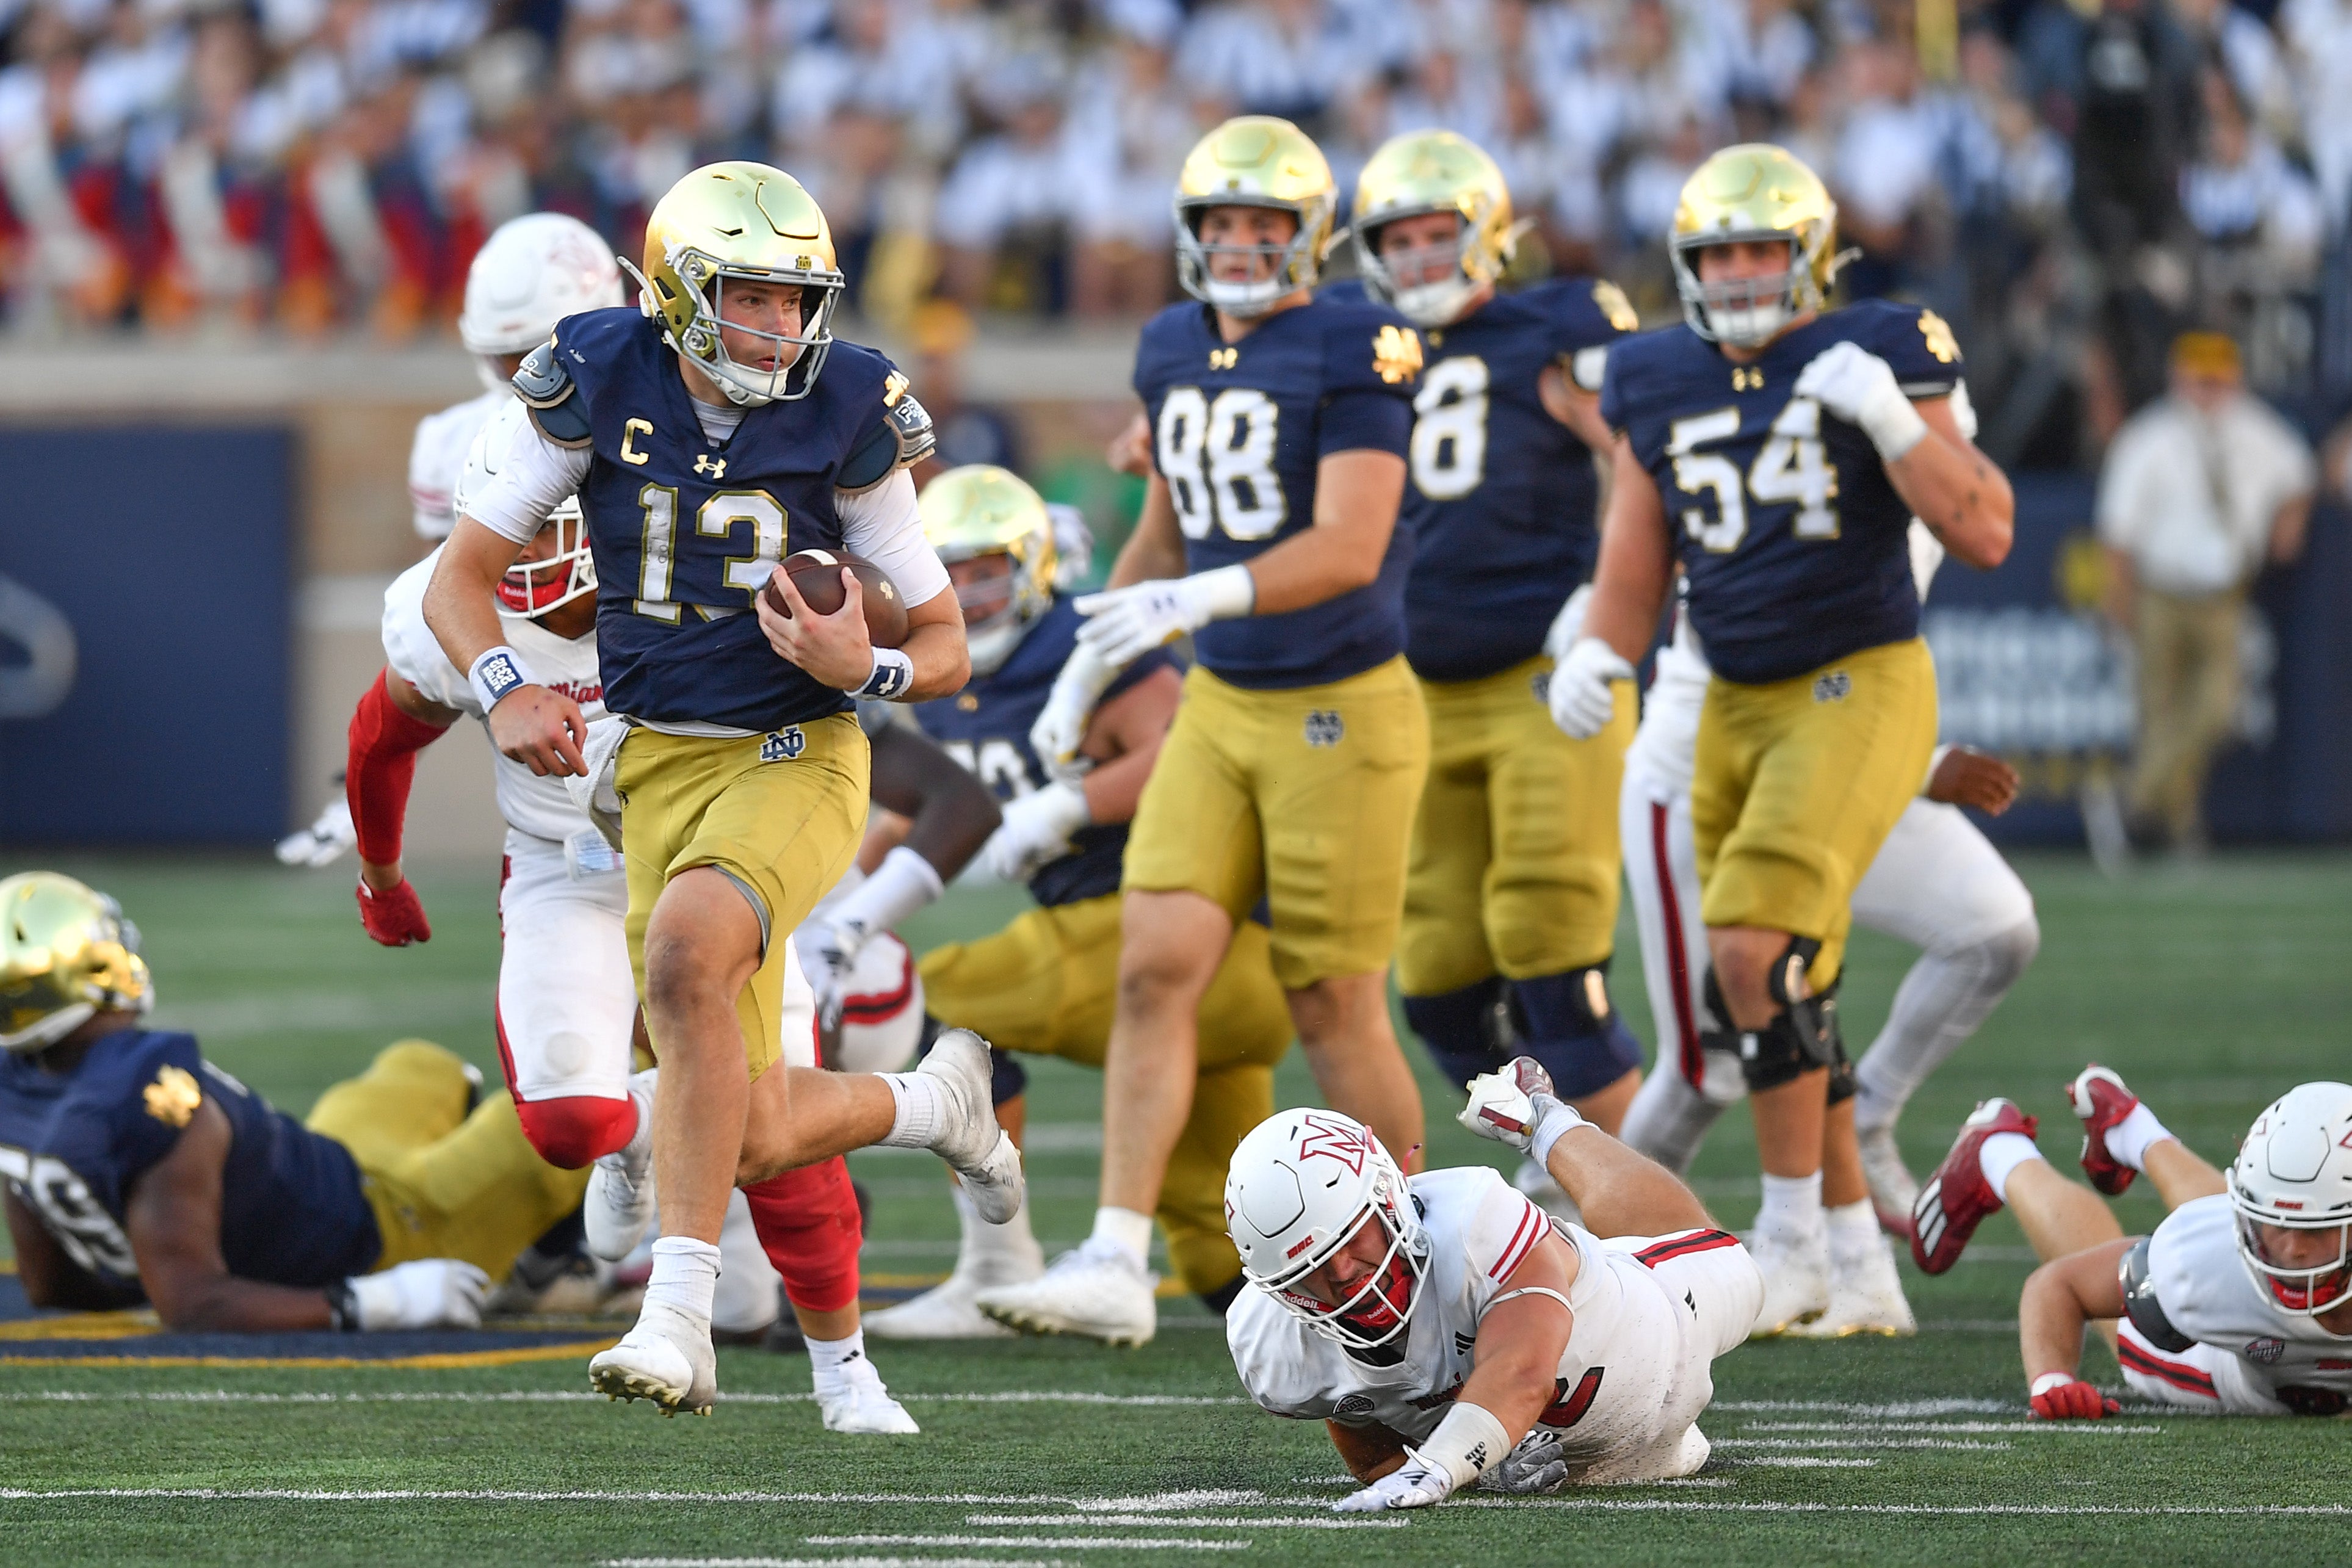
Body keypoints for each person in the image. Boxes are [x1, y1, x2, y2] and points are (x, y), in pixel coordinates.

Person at [422, 159, 1022, 1417]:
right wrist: (502, 686)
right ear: (685, 294)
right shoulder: (598, 371)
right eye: (752, 298)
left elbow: (945, 639)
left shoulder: (848, 404)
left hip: (795, 754)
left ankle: (676, 1319)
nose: (782, 327)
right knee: (738, 1129)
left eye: (798, 301)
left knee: (692, 960)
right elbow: (460, 573)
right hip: (653, 762)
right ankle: (934, 1104)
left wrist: (876, 663)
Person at [971, 115, 1430, 1348]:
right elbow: (1164, 533)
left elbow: (1349, 541)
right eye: (1218, 224)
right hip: (1221, 704)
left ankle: (1407, 1261)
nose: (1237, 246)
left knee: (1333, 1000)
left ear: (1308, 236)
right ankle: (1118, 1255)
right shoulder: (1172, 342)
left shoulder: (1353, 343)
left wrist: (1201, 597)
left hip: (1339, 704)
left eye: (1262, 225)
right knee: (1153, 961)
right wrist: (1090, 663)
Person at [357, 469, 929, 1432]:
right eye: (510, 536)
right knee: (571, 1123)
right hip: (564, 867)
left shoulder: (696, 573)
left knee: (771, 1133)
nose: (527, 558)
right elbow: (381, 735)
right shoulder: (444, 613)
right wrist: (380, 875)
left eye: (549, 532)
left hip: (708, 849)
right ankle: (638, 1139)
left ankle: (846, 1373)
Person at [1554, 143, 2013, 1337]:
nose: (1743, 272)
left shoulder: (1877, 351)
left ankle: (1792, 1237)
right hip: (1730, 705)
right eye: (1720, 252)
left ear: (1811, 255)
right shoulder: (1655, 374)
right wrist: (1599, 650)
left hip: (1856, 676)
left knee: (1754, 948)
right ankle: (1852, 1257)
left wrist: (1887, 420)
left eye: (1764, 248)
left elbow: (1988, 530)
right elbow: (1633, 567)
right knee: (1781, 980)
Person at [861, 464, 1295, 1340]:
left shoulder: (1082, 641)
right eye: (950, 574)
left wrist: (1070, 804)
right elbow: (916, 813)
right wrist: (849, 898)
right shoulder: (948, 673)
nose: (968, 594)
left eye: (986, 570)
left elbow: (1182, 744)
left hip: (1178, 930)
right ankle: (1377, 1324)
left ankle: (997, 1264)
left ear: (1033, 565)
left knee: (936, 1006)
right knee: (1239, 1262)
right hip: (1188, 978)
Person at [1342, 129, 1646, 1160]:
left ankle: (1638, 1214)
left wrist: (1602, 609)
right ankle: (1562, 1157)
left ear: (1487, 236)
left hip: (1543, 676)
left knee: (1551, 949)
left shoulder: (1558, 321)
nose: (1424, 258)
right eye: (1404, 239)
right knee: (1431, 977)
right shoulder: (1353, 341)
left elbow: (1646, 466)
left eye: (1442, 234)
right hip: (1412, 688)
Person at [1615, 521, 2041, 1246]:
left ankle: (1866, 1121)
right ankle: (1611, 1247)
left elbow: (1981, 531)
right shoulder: (1797, 447)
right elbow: (1769, 658)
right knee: (1707, 1069)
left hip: (1836, 752)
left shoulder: (1910, 445)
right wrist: (1920, 762)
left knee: (1992, 931)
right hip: (1710, 770)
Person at [0, 872, 576, 1334]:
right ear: (91, 971)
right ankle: (543, 1271)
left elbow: (49, 1284)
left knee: (423, 1065)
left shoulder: (18, 1090)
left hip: (334, 1171)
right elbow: (193, 1303)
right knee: (577, 1105)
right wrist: (372, 1302)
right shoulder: (151, 1097)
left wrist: (150, 1259)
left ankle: (529, 1230)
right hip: (394, 1234)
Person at [1221, 1061, 1760, 1509]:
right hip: (1616, 1464)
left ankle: (1544, 1123)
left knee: (1730, 1263)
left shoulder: (1471, 1219)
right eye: (1308, 1270)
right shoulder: (1272, 1344)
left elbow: (1523, 1374)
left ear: (1387, 1197)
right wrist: (1481, 1471)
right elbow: (1365, 1426)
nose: (1341, 1275)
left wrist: (1440, 1466)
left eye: (1348, 1239)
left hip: (1665, 1321)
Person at [272, 212, 624, 872]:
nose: (525, 375)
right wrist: (372, 784)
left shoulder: (663, 421)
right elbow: (450, 631)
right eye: (508, 355)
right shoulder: (456, 443)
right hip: (545, 713)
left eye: (540, 352)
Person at [1910, 1068, 2352, 1419]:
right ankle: (1999, 1151)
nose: (2292, 1250)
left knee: (2218, 1229)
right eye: (2273, 1225)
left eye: (2316, 1230)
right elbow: (2059, 1285)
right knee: (2196, 1247)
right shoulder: (2200, 1267)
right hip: (2216, 1364)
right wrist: (2052, 1381)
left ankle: (2128, 1128)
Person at [2091, 330, 2314, 857]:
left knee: (2218, 708)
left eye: (2218, 381)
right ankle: (2177, 831)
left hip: (2222, 596)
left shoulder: (2259, 431)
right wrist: (2116, 597)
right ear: (2179, 380)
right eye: (2200, 380)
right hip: (2160, 592)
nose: (2209, 392)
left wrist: (2289, 524)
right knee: (2160, 712)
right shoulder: (2147, 438)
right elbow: (2117, 531)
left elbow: (2302, 473)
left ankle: (2134, 803)